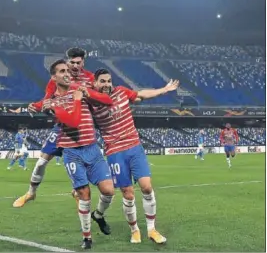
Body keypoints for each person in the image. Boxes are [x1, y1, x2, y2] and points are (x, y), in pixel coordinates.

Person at [91, 68, 179, 245]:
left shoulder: (121, 92)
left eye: (109, 81)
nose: (107, 84)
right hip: (115, 152)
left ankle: (152, 229)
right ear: (95, 83)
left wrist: (163, 90)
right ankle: (134, 230)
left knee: (146, 187)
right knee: (128, 193)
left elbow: (141, 95)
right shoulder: (91, 103)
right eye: (103, 81)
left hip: (134, 146)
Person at [42, 59, 116, 249]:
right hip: (72, 152)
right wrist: (76, 98)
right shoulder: (51, 103)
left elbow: (108, 100)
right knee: (84, 194)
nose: (66, 73)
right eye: (61, 71)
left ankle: (98, 215)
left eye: (67, 70)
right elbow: (73, 121)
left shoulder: (81, 89)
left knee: (109, 190)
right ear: (53, 77)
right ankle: (87, 237)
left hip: (92, 148)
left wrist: (86, 92)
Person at [14, 47, 96, 207]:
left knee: (89, 166)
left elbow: (97, 99)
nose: (74, 66)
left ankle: (77, 191)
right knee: (41, 162)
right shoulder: (57, 79)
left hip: (82, 129)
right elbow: (47, 100)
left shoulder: (90, 79)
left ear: (83, 62)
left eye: (78, 63)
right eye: (71, 62)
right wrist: (35, 106)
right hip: (62, 128)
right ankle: (30, 193)